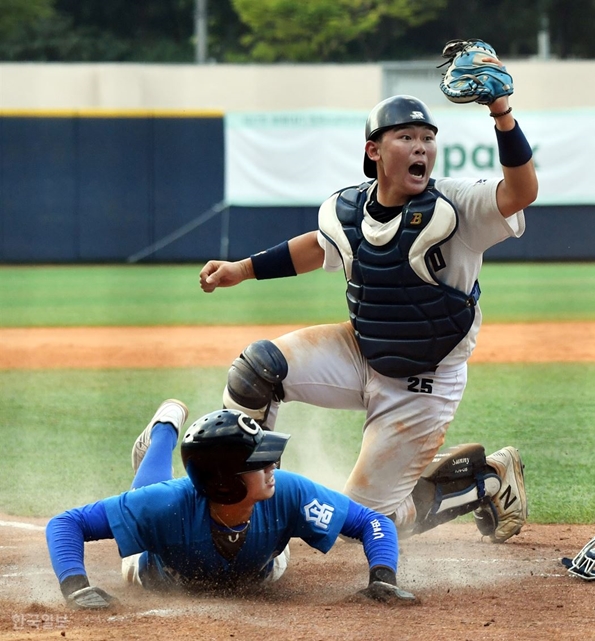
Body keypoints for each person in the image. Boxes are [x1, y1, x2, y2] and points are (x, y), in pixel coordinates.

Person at [198, 44, 538, 542]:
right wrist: (242, 270)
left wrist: (501, 112)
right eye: (406, 136)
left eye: (428, 137)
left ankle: (482, 481)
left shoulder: (459, 206)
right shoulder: (348, 210)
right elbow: (317, 247)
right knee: (257, 371)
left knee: (356, 525)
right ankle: (239, 494)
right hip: (362, 351)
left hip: (425, 381)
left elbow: (521, 192)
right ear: (374, 150)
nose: (421, 146)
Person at [46, 400, 416, 609]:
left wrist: (383, 578)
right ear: (225, 482)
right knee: (151, 492)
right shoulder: (166, 505)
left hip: (261, 564)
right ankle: (163, 430)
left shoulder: (288, 492)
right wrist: (76, 588)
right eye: (260, 464)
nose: (274, 467)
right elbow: (65, 524)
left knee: (156, 498)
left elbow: (371, 521)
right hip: (156, 573)